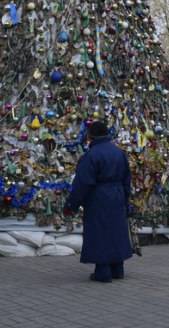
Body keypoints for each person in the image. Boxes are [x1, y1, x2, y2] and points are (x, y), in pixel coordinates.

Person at [63, 120, 132, 282]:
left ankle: (103, 272)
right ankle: (118, 269)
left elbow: (83, 183)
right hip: (117, 195)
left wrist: (71, 205)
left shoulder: (92, 155)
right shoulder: (119, 153)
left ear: (90, 136)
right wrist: (125, 198)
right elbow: (127, 179)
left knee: (100, 233)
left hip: (98, 198)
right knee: (116, 232)